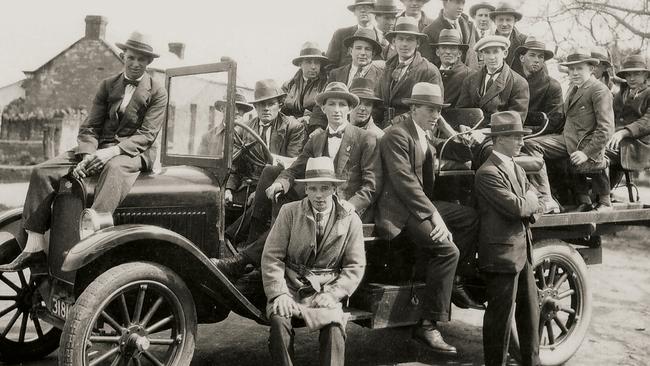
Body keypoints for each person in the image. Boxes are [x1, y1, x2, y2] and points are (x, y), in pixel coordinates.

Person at [0, 31, 167, 272]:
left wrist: (108, 154)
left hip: (133, 152)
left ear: (149, 62)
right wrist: (88, 155)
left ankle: (92, 244)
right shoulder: (108, 85)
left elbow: (147, 135)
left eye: (142, 59)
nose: (135, 64)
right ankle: (34, 246)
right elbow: (90, 127)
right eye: (131, 58)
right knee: (42, 171)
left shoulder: (158, 91)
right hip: (97, 148)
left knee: (114, 168)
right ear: (123, 56)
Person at [214, 82, 381, 278]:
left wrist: (351, 204)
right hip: (319, 198)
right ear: (323, 108)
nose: (337, 110)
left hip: (345, 206)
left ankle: (243, 261)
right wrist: (280, 183)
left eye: (342, 105)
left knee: (294, 218)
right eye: (332, 104)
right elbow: (295, 169)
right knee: (273, 179)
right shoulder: (316, 139)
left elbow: (372, 185)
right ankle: (252, 252)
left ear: (349, 108)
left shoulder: (365, 139)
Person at [375, 82, 482, 355]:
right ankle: (428, 324)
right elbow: (405, 184)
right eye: (431, 109)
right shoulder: (396, 136)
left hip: (420, 206)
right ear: (413, 109)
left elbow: (463, 154)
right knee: (448, 251)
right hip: (399, 210)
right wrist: (435, 217)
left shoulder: (425, 136)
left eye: (439, 110)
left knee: (469, 218)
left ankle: (454, 280)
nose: (436, 115)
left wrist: (447, 129)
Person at [262, 156, 365, 366]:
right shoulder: (289, 212)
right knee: (279, 320)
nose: (319, 195)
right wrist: (279, 293)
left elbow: (355, 266)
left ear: (334, 190)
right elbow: (272, 257)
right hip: (290, 286)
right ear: (306, 190)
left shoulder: (350, 218)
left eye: (325, 188)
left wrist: (334, 294)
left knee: (335, 326)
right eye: (313, 188)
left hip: (326, 288)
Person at [474, 111, 543, 366]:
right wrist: (531, 204)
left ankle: (532, 362)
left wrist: (531, 205)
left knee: (530, 312)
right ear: (500, 139)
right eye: (516, 137)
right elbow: (517, 207)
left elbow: (531, 202)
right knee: (499, 318)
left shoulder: (516, 167)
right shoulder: (487, 173)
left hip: (522, 251)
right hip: (501, 257)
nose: (521, 142)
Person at [524, 48, 614, 212]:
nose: (574, 73)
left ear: (591, 69)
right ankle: (547, 197)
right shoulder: (573, 89)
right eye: (571, 69)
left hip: (585, 144)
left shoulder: (599, 90)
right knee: (530, 144)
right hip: (568, 139)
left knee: (534, 146)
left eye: (579, 68)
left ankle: (604, 202)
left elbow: (606, 129)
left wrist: (585, 153)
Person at [224, 79, 305, 211]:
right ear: (255, 107)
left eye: (271, 104)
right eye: (262, 104)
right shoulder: (244, 129)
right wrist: (228, 189)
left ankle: (230, 233)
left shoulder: (293, 127)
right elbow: (235, 165)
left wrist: (260, 192)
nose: (266, 108)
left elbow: (291, 166)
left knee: (260, 207)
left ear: (280, 105)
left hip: (278, 185)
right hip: (248, 184)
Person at [375, 17, 444, 127]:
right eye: (400, 39)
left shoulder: (428, 71)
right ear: (394, 42)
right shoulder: (387, 67)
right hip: (385, 126)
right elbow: (378, 104)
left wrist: (395, 124)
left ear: (418, 43)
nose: (404, 44)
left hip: (415, 127)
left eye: (410, 39)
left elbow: (433, 109)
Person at [456, 35, 529, 124]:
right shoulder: (470, 80)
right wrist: (463, 126)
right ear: (481, 55)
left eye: (496, 52)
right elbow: (461, 111)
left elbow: (516, 120)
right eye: (487, 52)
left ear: (505, 53)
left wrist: (485, 132)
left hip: (500, 134)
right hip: (470, 131)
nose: (491, 57)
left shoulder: (518, 83)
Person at [607, 54, 650, 186]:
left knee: (600, 153)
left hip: (640, 144)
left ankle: (603, 195)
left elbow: (647, 121)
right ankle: (589, 195)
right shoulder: (621, 93)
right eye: (628, 75)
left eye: (636, 74)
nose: (631, 78)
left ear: (645, 76)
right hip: (617, 139)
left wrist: (623, 133)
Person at [515, 37, 564, 134]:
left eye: (541, 57)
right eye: (532, 55)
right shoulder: (513, 81)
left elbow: (555, 122)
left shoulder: (552, 86)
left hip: (537, 135)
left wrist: (526, 131)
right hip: (511, 131)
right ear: (522, 58)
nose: (536, 60)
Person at [420, 0, 479, 69]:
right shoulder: (429, 30)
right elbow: (427, 64)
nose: (461, 7)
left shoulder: (470, 26)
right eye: (457, 2)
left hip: (472, 77)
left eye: (463, 3)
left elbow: (479, 53)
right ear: (445, 3)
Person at [282, 42, 330, 119]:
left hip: (314, 125)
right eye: (308, 62)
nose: (313, 67)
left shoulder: (326, 84)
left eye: (317, 63)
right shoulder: (289, 85)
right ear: (300, 64)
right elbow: (280, 109)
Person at [326, 0, 380, 68]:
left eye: (367, 7)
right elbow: (329, 64)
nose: (363, 10)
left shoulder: (382, 38)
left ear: (375, 12)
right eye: (359, 8)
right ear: (354, 12)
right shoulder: (340, 34)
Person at [198, 92, 253, 158]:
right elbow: (200, 164)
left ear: (244, 112)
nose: (236, 112)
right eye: (232, 107)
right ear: (222, 109)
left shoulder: (251, 137)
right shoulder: (208, 137)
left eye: (241, 108)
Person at [431, 29, 471, 107]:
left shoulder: (468, 75)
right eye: (444, 48)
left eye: (453, 48)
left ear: (459, 53)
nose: (448, 52)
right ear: (437, 52)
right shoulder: (431, 71)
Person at [489, 2, 527, 73]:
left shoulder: (525, 41)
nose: (504, 24)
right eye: (500, 20)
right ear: (494, 21)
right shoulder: (488, 42)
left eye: (508, 20)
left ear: (515, 21)